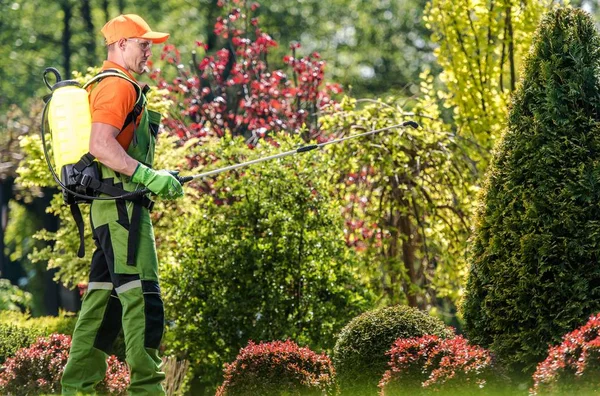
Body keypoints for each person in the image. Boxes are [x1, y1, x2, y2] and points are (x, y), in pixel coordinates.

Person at [61, 14, 183, 395]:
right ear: (120, 45)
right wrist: (147, 176)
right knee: (143, 300)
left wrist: (154, 175)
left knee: (102, 304)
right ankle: (147, 390)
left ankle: (76, 388)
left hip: (112, 208)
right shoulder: (117, 85)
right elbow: (100, 144)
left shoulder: (113, 83)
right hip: (122, 212)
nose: (149, 51)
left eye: (150, 44)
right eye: (142, 43)